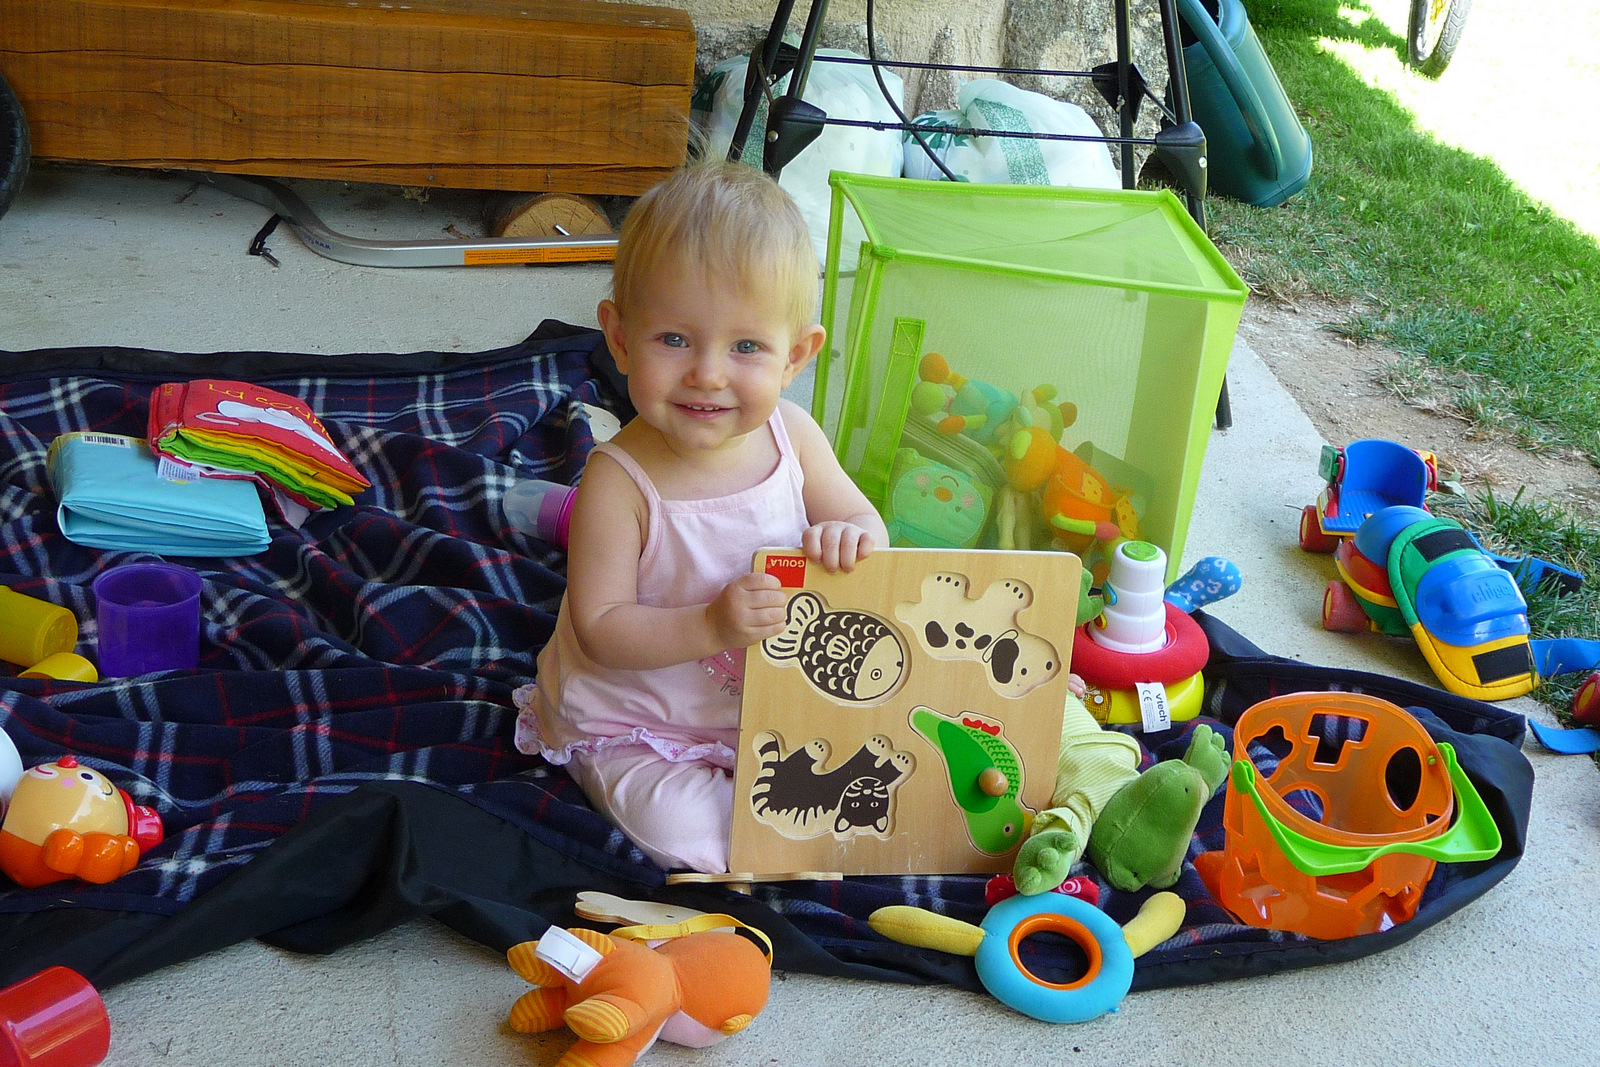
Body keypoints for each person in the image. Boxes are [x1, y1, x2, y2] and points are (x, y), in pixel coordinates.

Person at [513, 161, 888, 873]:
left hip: (769, 703)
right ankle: (749, 827)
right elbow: (601, 629)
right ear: (620, 339)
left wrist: (853, 535)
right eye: (674, 340)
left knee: (889, 762)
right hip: (639, 720)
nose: (708, 374)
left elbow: (862, 520)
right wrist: (711, 625)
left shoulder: (794, 437)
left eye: (746, 347)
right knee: (695, 834)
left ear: (795, 356)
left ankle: (778, 804)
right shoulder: (617, 482)